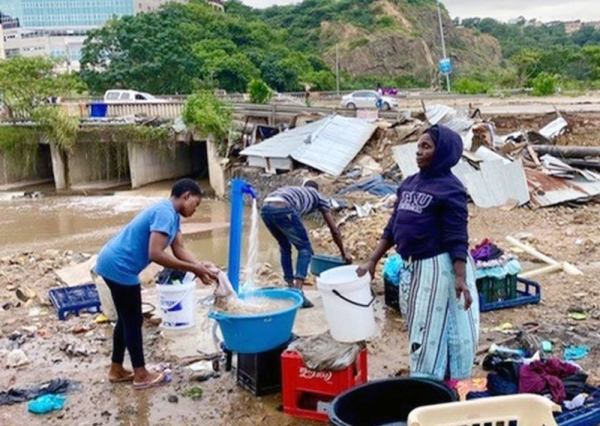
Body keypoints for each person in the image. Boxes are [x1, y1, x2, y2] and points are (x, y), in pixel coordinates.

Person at [357, 125, 479, 382]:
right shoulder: (410, 183)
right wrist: (372, 260)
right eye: (419, 146)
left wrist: (460, 276)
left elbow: (457, 235)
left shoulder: (451, 189)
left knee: (440, 331)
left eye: (427, 146)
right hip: (412, 267)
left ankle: (440, 386)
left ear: (443, 152)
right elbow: (393, 227)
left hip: (439, 267)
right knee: (420, 328)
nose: (419, 151)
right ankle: (428, 381)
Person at [94, 178, 218, 390]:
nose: (195, 210)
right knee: (133, 321)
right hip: (120, 267)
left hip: (110, 262)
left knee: (125, 320)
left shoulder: (172, 216)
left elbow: (179, 250)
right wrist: (193, 269)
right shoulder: (165, 213)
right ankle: (141, 374)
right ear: (186, 195)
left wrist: (200, 266)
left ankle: (116, 369)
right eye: (195, 204)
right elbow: (156, 253)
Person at [261, 180, 352, 308]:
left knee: (284, 246)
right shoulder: (319, 197)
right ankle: (298, 293)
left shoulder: (296, 191)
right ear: (317, 190)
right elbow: (334, 229)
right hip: (283, 207)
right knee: (305, 249)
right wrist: (344, 253)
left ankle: (290, 287)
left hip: (265, 207)